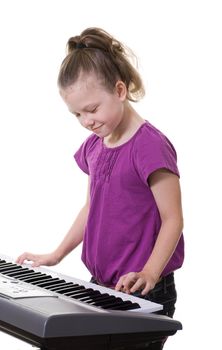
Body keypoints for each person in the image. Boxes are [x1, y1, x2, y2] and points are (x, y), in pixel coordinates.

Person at [17, 28, 184, 349]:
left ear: (120, 90)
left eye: (92, 110)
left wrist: (149, 273)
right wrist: (57, 253)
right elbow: (92, 206)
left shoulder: (150, 146)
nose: (86, 121)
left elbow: (173, 218)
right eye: (77, 114)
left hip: (145, 288)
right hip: (102, 285)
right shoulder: (95, 146)